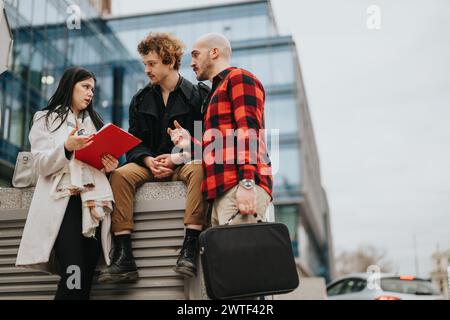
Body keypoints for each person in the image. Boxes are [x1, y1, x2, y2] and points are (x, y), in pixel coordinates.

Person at [97, 32, 209, 284]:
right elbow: (134, 143)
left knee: (200, 169)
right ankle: (124, 257)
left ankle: (189, 248)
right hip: (148, 163)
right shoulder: (139, 100)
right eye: (145, 63)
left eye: (152, 63)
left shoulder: (198, 96)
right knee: (120, 175)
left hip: (183, 162)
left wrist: (175, 159)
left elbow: (204, 146)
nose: (146, 69)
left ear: (169, 61)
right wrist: (149, 161)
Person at [15, 67, 119, 300]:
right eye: (85, 86)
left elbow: (95, 165)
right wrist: (66, 147)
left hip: (92, 208)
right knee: (73, 273)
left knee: (84, 281)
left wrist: (109, 166)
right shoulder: (45, 118)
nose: (90, 93)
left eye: (92, 88)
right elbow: (40, 164)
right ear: (69, 86)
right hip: (64, 205)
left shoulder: (95, 123)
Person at [170, 33, 273, 227]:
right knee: (227, 257)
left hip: (238, 187)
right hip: (221, 193)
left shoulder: (239, 78)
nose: (191, 62)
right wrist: (189, 142)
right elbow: (219, 147)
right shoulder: (215, 93)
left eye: (195, 55)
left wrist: (247, 183)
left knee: (239, 256)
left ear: (214, 52)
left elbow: (249, 132)